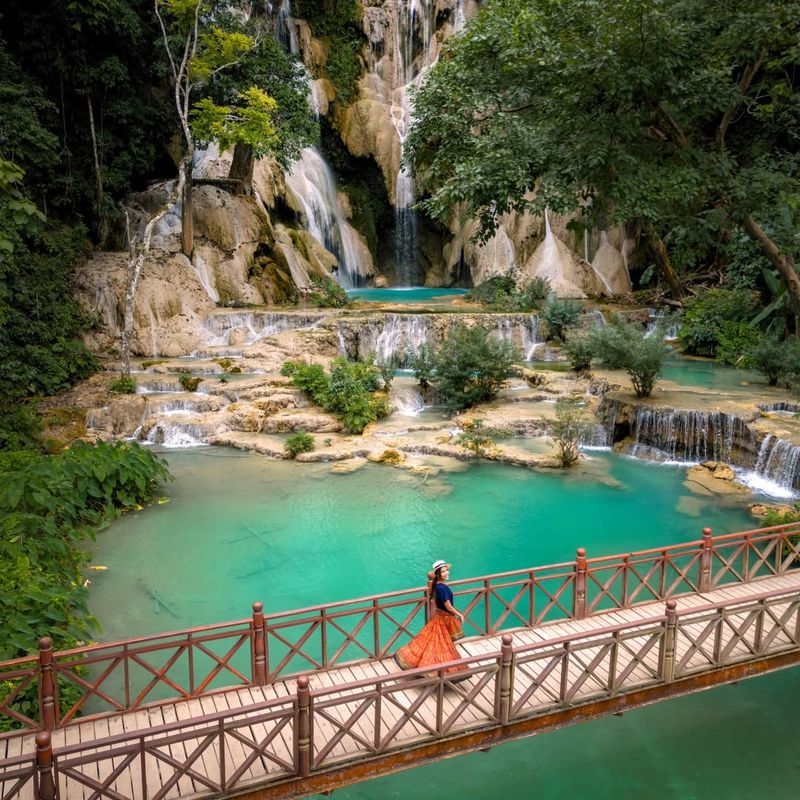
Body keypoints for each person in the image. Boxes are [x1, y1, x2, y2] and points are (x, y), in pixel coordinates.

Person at [394, 559, 466, 675]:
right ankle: (438, 671)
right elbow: (448, 606)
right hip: (444, 617)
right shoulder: (442, 588)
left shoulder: (436, 586)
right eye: (443, 572)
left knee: (431, 642)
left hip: (438, 616)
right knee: (441, 644)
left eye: (446, 570)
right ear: (438, 574)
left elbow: (435, 601)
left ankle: (428, 667)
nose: (446, 573)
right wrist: (459, 614)